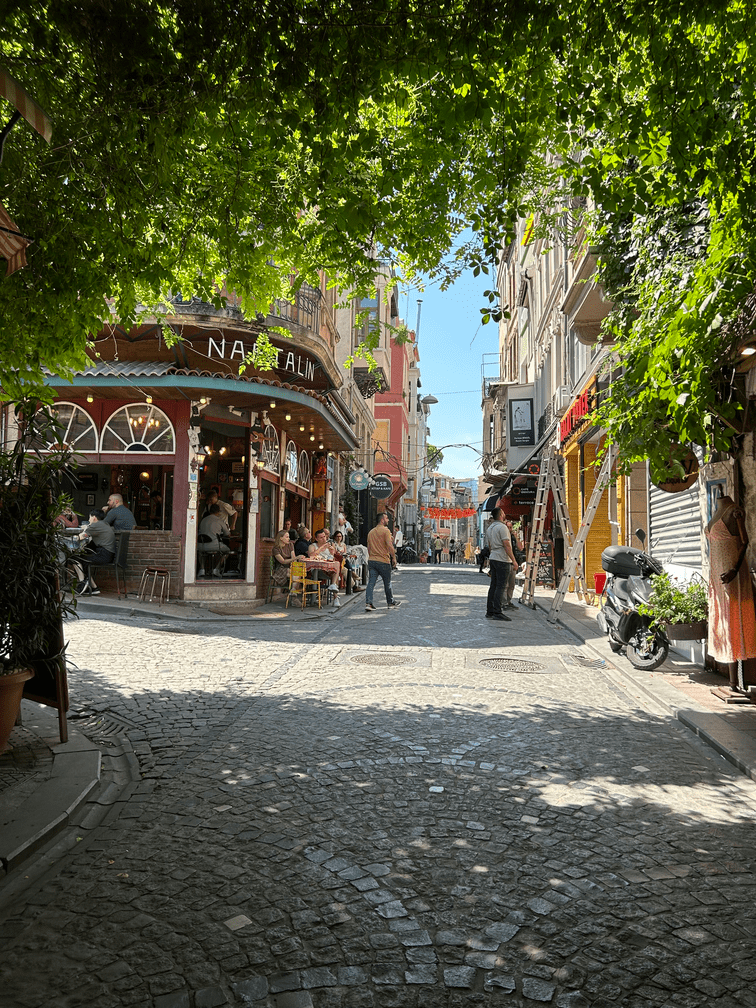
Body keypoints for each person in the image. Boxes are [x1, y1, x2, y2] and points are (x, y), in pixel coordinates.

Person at [72, 509, 116, 595]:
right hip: (108, 555)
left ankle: (83, 583)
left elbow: (80, 537)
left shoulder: (96, 525)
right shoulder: (104, 524)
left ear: (94, 518)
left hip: (104, 555)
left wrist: (73, 537)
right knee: (83, 559)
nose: (89, 520)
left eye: (90, 517)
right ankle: (94, 588)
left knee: (74, 558)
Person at [365, 513, 401, 611]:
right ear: (382, 520)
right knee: (387, 583)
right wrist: (393, 557)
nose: (388, 520)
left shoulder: (371, 532)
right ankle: (390, 602)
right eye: (386, 518)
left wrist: (372, 555)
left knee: (371, 583)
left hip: (372, 560)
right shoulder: (386, 531)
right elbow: (389, 545)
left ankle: (369, 603)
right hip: (383, 561)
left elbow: (369, 548)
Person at [485, 507, 516, 621]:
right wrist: (514, 560)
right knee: (501, 586)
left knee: (493, 585)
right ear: (501, 515)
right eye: (503, 513)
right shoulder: (502, 527)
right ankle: (497, 611)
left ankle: (490, 610)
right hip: (502, 558)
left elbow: (489, 545)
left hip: (493, 556)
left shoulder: (490, 528)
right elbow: (506, 544)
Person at [197, 503, 231, 577]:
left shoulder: (203, 520)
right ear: (218, 512)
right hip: (215, 546)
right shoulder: (219, 521)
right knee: (227, 551)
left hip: (201, 546)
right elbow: (227, 534)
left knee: (201, 552)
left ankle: (202, 569)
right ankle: (216, 569)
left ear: (209, 511)